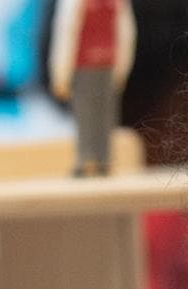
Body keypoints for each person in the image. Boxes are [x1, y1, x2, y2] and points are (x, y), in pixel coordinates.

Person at [49, 0, 136, 176]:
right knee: (84, 114)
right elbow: (65, 31)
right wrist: (61, 73)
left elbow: (126, 32)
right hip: (82, 65)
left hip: (107, 64)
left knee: (106, 114)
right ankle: (85, 159)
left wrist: (122, 67)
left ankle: (104, 159)